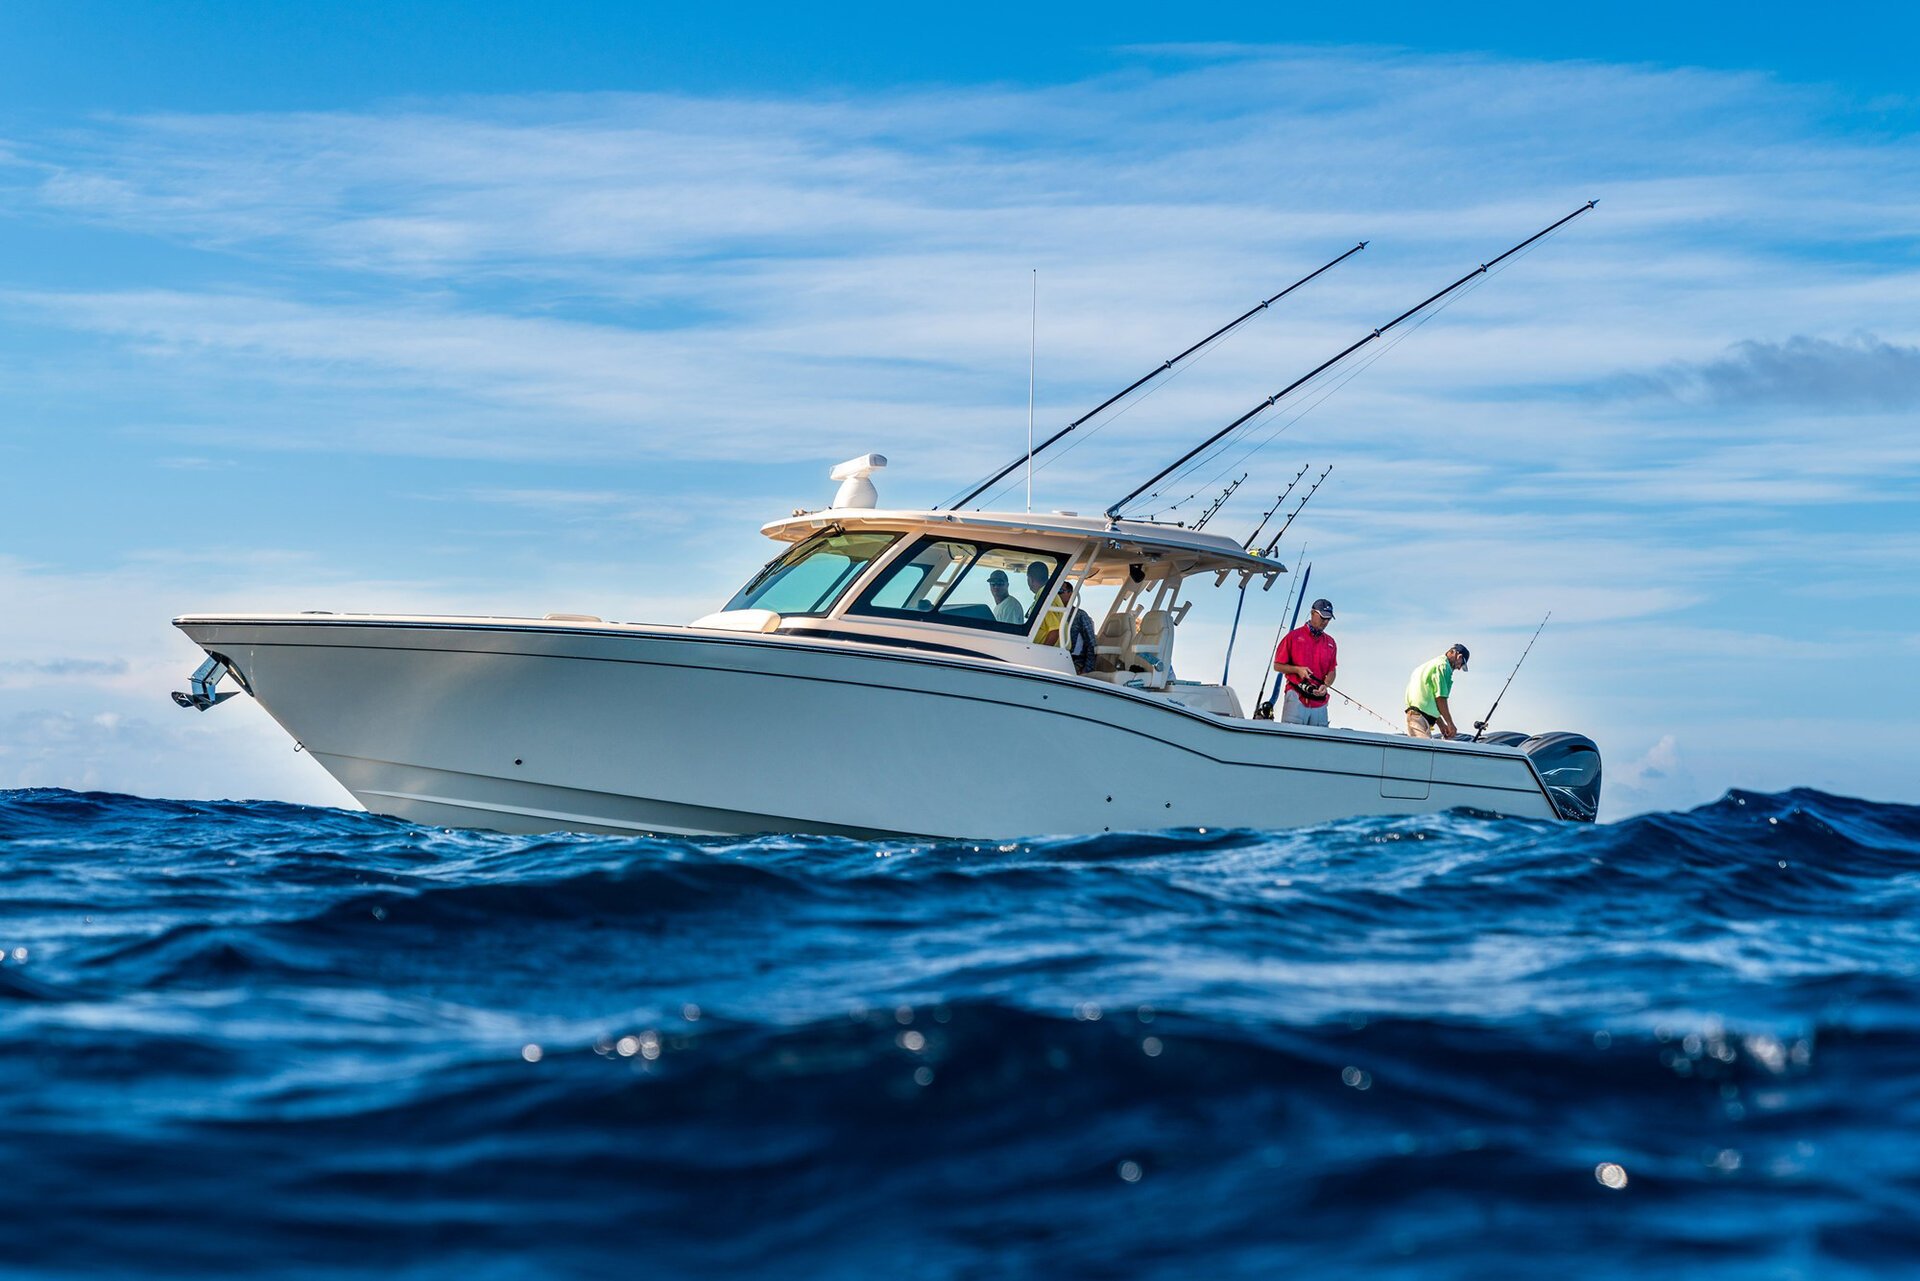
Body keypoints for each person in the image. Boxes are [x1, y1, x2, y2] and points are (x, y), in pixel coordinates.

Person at [1272, 598, 1337, 727]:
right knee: (1291, 741)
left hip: (1320, 703)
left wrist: (1326, 685)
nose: (1325, 622)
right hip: (1296, 698)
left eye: (1328, 619)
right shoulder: (1293, 636)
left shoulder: (1331, 642)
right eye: (1322, 617)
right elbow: (1277, 665)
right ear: (1313, 613)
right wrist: (1298, 670)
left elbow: (1332, 670)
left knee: (1319, 743)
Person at [1405, 643, 1469, 739]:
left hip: (1416, 716)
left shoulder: (1429, 665)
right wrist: (1450, 724)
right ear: (1459, 656)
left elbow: (1429, 702)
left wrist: (1441, 724)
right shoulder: (1443, 666)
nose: (1459, 668)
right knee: (1425, 751)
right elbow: (1440, 698)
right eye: (1461, 664)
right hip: (1419, 718)